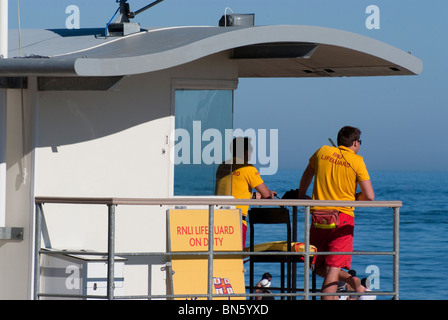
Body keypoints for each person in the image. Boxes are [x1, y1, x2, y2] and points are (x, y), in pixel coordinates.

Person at [298, 126, 375, 300]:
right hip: (343, 217)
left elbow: (307, 174)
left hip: (319, 216)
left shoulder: (322, 152)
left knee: (319, 266)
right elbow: (369, 196)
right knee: (332, 268)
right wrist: (354, 198)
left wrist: (302, 196)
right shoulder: (356, 161)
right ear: (355, 143)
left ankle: (351, 280)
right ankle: (352, 280)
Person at [215, 137, 277, 248]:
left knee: (220, 259)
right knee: (236, 259)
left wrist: (254, 196)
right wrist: (269, 193)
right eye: (251, 149)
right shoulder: (248, 168)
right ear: (245, 152)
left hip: (217, 218)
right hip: (236, 221)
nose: (251, 152)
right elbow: (267, 195)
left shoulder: (222, 165)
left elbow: (233, 192)